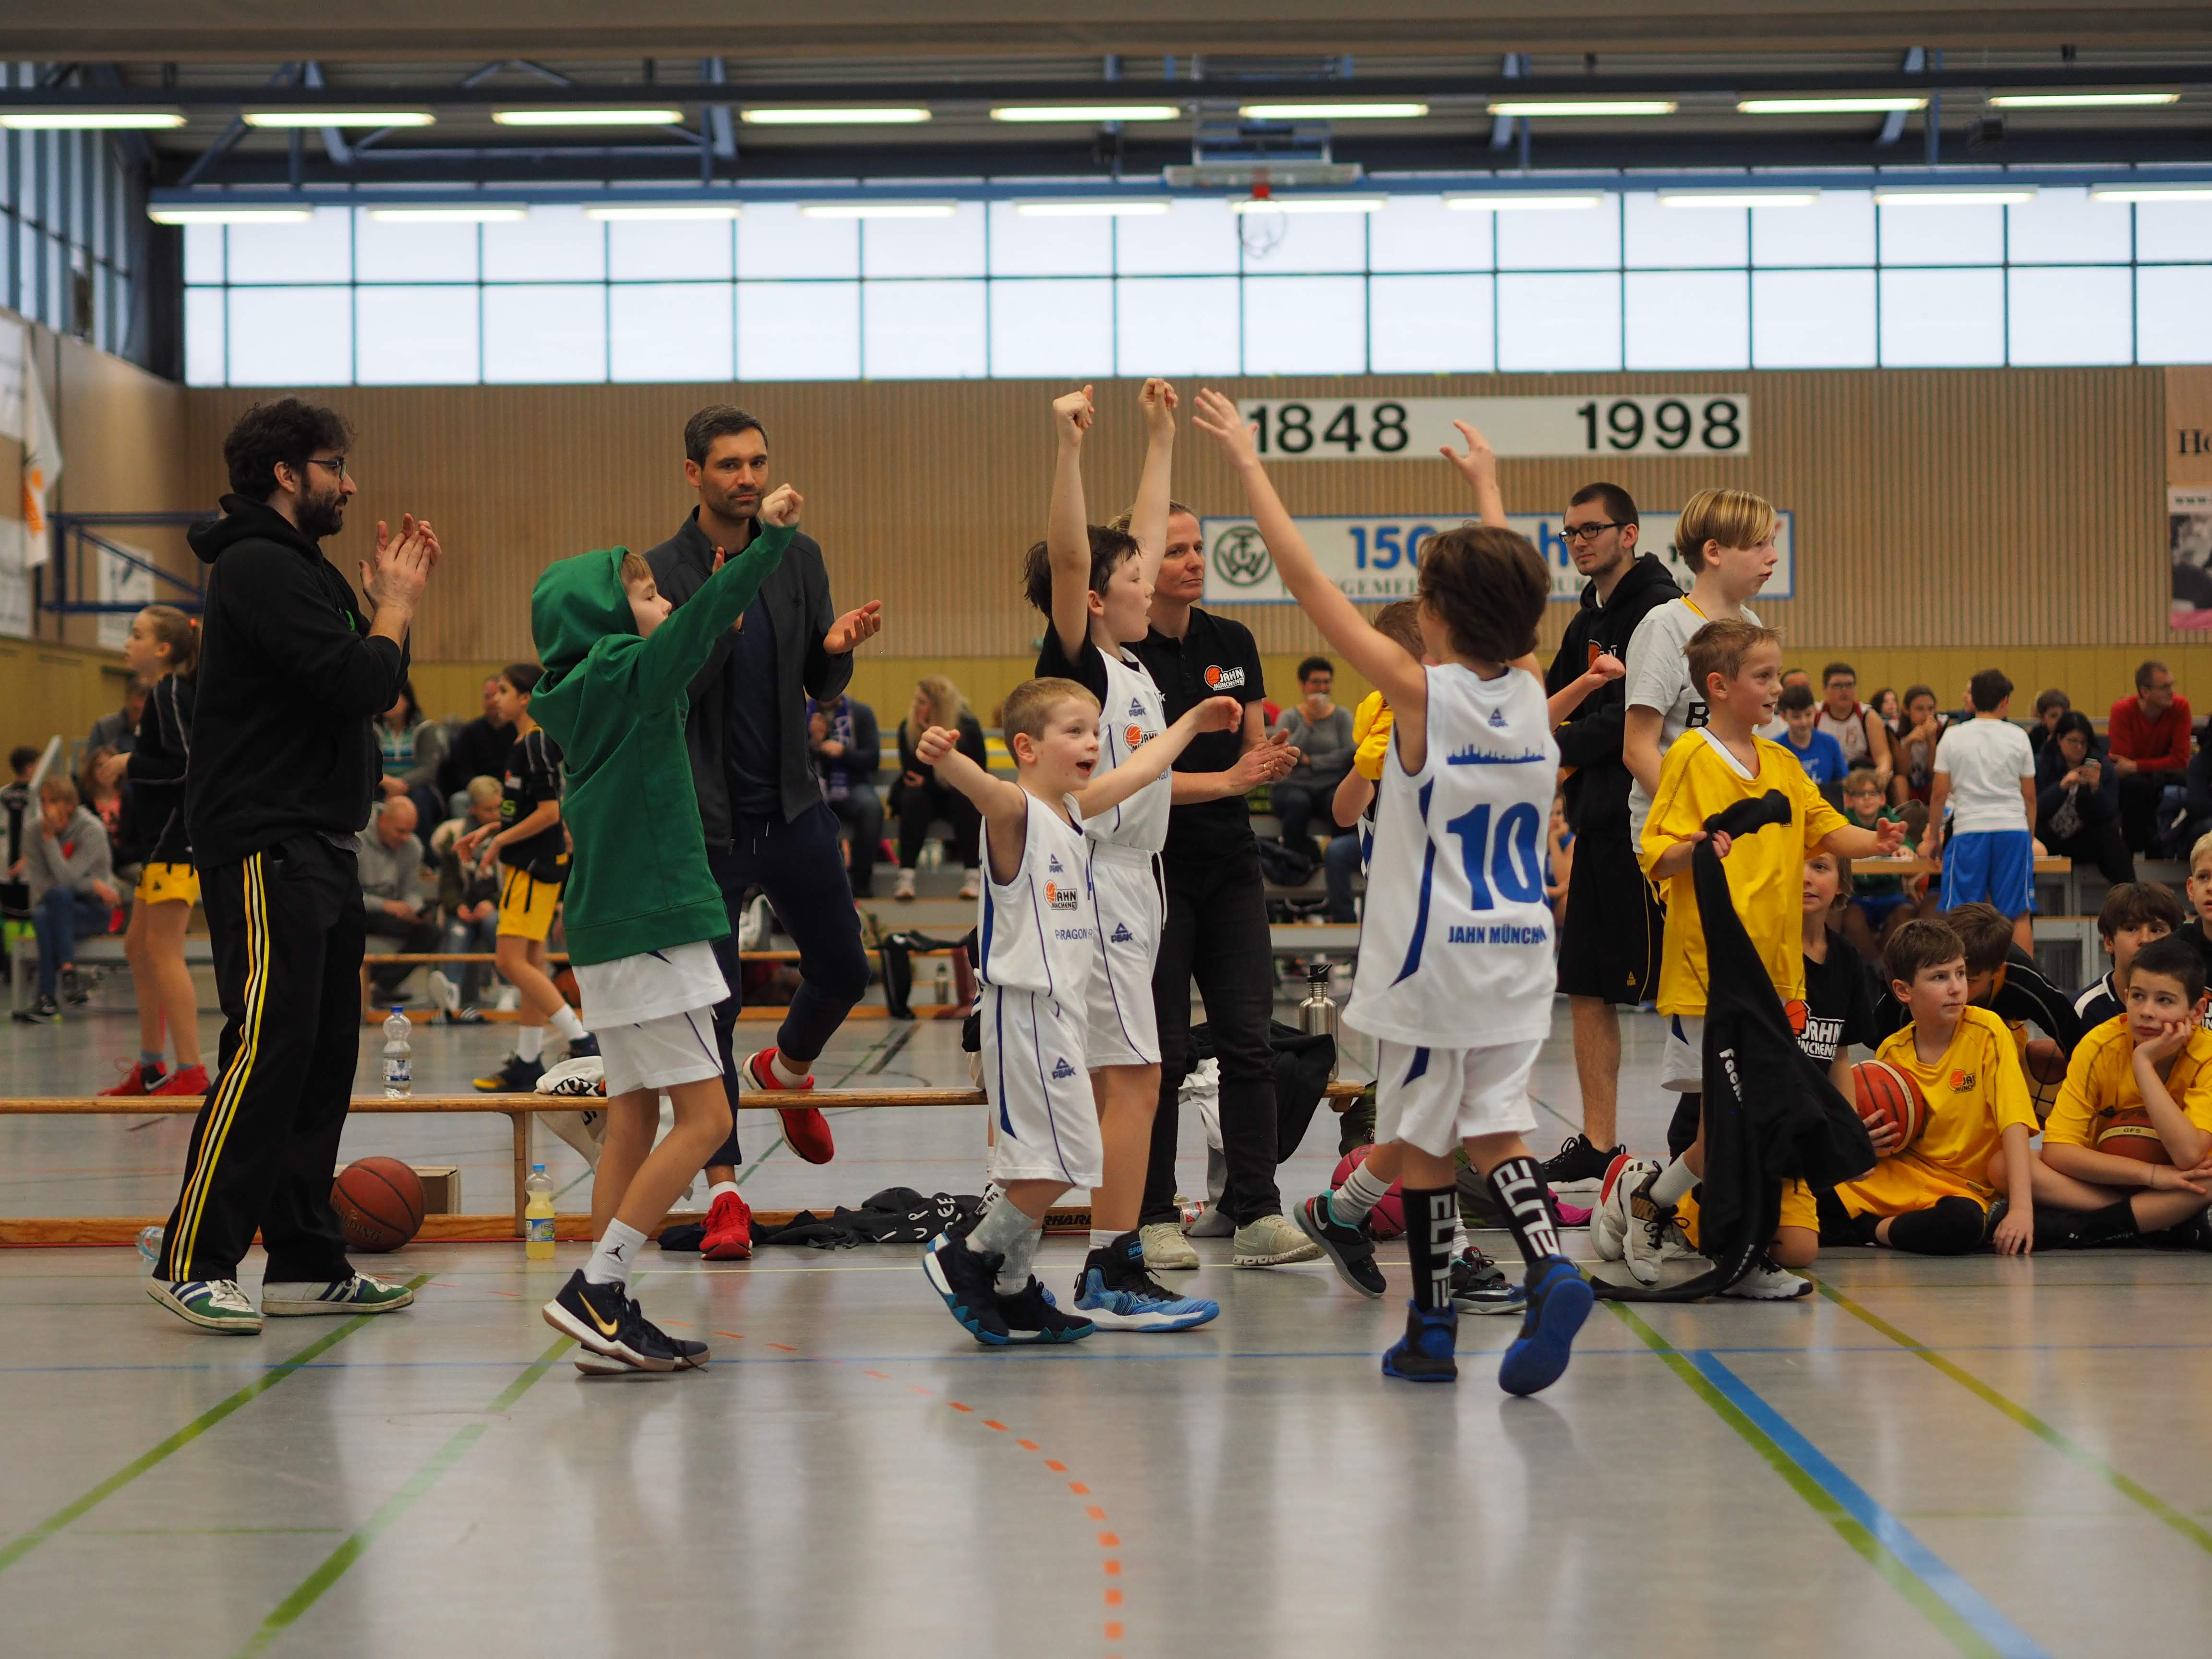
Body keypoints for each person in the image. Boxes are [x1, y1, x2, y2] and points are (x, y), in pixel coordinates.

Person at [1195, 386, 1609, 1393]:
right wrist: (1489, 488)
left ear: (1432, 617)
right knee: (1478, 1127)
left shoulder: (1420, 696)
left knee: (1422, 1137)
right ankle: (1473, 1301)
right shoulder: (1528, 696)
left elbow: (1308, 585)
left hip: (1436, 958)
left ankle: (1489, 1297)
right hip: (1521, 950)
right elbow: (1512, 595)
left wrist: (1248, 464)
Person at [149, 397, 433, 1334]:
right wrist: (394, 607)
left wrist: (383, 612)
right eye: (333, 466)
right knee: (267, 1047)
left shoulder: (300, 567)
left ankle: (307, 1260)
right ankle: (193, 1258)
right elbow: (362, 680)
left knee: (319, 1055)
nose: (348, 484)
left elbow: (372, 683)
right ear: (285, 474)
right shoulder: (258, 565)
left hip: (318, 837)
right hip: (266, 839)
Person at [533, 484, 808, 1375]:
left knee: (633, 1118)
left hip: (606, 933)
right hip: (655, 923)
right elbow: (697, 629)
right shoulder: (624, 672)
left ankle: (602, 1305)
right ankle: (598, 1289)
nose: (665, 603)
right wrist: (768, 546)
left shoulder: (580, 692)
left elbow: (691, 634)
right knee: (707, 1116)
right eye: (648, 594)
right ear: (606, 619)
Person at [919, 676, 1243, 1346]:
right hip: (1023, 1012)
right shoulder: (1016, 812)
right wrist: (947, 758)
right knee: (1068, 1158)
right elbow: (986, 790)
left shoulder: (1074, 813)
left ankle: (1012, 1289)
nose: (1093, 743)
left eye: (1096, 731)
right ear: (1027, 748)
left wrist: (1192, 721)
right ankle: (968, 1254)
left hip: (1060, 1014)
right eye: (1075, 731)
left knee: (1054, 1158)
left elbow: (1145, 769)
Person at [1606, 619, 1903, 1296]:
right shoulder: (1690, 757)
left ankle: (1668, 1211)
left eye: (1778, 675)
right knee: (1730, 1124)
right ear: (1719, 686)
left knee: (1744, 1122)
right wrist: (1698, 847)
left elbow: (1826, 828)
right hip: (1710, 975)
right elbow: (1657, 852)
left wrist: (1876, 841)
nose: (1779, 688)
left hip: (1776, 978)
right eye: (1764, 677)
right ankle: (1676, 1220)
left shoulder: (1785, 766)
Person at [646, 405, 883, 1241]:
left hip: (791, 805)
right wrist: (719, 618)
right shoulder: (660, 572)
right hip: (703, 824)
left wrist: (837, 649)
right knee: (713, 1006)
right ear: (694, 473)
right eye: (728, 465)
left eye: (756, 462)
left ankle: (785, 1068)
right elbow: (668, 687)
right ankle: (724, 1193)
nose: (746, 478)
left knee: (846, 971)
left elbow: (818, 681)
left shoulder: (797, 554)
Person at [1023, 380, 1223, 1333]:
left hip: (1137, 881)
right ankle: (1111, 1265)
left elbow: (1122, 545)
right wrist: (1068, 450)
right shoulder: (1082, 661)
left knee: (1127, 1078)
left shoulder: (1134, 660)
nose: (1152, 583)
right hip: (1098, 878)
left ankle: (1077, 1256)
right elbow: (1077, 558)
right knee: (1138, 1077)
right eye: (1134, 578)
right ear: (1096, 602)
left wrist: (1159, 437)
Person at [1125, 479, 1307, 1274]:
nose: (1195, 560)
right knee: (1160, 1054)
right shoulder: (1120, 657)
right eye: (1177, 551)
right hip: (1153, 869)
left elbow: (1250, 752)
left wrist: (1268, 762)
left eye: (1199, 547)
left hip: (1231, 865)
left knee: (1249, 1043)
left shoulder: (1232, 640)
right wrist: (1231, 780)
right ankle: (1153, 1218)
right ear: (1142, 565)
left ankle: (1257, 1211)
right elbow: (1128, 780)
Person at [1642, 849, 1878, 1280]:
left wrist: (1848, 1133)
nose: (1806, 878)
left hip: (1791, 1131)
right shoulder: (1762, 952)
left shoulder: (1846, 961)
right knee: (1733, 1235)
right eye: (1795, 865)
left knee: (1799, 1251)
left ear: (1842, 884)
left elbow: (1840, 1054)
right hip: (1729, 1123)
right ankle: (1658, 1197)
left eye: (1820, 867)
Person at [1539, 480, 1682, 1191]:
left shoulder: (1660, 609)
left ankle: (1701, 1142)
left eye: (1590, 529)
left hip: (1649, 829)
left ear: (1629, 533)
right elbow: (1550, 706)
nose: (1578, 542)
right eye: (1569, 532)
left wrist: (1559, 743)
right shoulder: (1585, 620)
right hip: (1595, 826)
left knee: (1681, 989)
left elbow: (1632, 718)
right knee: (1587, 988)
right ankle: (1598, 1142)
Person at [1818, 918, 2038, 1255]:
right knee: (1806, 1190)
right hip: (1903, 1176)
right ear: (1903, 991)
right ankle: (1885, 1228)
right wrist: (1867, 1142)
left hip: (1964, 1189)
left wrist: (2022, 1209)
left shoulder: (1988, 1031)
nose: (1956, 988)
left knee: (1963, 1222)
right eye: (1939, 977)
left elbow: (2014, 1122)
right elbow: (1894, 1139)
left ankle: (1868, 1229)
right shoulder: (1892, 1050)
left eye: (1960, 974)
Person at [2029, 934, 2212, 1249]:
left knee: (2208, 1180)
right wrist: (2150, 1175)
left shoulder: (2207, 1056)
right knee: (2008, 1163)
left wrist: (2143, 1063)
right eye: (2138, 996)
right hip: (2109, 1177)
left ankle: (2086, 1228)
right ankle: (2156, 1221)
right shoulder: (2099, 1044)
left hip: (2181, 1179)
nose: (2147, 1011)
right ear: (2126, 997)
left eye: (2164, 1001)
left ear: (2197, 1011)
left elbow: (2188, 1157)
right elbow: (2057, 1150)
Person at [462, 663, 595, 1092]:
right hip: (534, 861)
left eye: (503, 690)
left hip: (532, 865)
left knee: (509, 961)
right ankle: (527, 1059)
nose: (495, 698)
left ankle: (582, 1040)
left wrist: (500, 842)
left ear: (526, 698)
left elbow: (549, 813)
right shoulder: (525, 742)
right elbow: (526, 810)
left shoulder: (536, 740)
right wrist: (492, 830)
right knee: (532, 964)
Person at [94, 605, 207, 1095]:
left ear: (162, 649)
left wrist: (129, 762)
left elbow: (189, 765)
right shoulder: (160, 695)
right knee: (138, 948)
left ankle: (192, 1071)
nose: (128, 642)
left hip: (177, 841)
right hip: (158, 843)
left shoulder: (171, 693)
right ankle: (150, 1067)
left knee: (164, 952)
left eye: (137, 634)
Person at [1928, 669, 2038, 951]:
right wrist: (2028, 837)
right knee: (2018, 912)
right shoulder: (2019, 737)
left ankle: (1962, 974)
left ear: (1973, 700)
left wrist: (1933, 837)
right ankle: (2024, 975)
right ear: (2005, 701)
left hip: (1969, 830)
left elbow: (1939, 793)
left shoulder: (1953, 736)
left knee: (1962, 914)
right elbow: (2030, 796)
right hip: (2013, 829)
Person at [12, 776, 118, 1024]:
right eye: (43, 802)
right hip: (55, 906)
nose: (46, 809)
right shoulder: (33, 831)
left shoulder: (91, 830)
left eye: (54, 802)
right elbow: (43, 885)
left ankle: (47, 997)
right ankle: (68, 975)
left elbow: (66, 878)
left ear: (70, 805)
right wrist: (92, 884)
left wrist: (50, 840)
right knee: (48, 908)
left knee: (48, 910)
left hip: (94, 910)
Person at [890, 675, 985, 901]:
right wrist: (926, 738)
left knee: (965, 799)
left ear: (939, 706)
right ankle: (906, 875)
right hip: (927, 797)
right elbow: (912, 774)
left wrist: (939, 762)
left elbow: (977, 771)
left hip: (957, 796)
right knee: (913, 798)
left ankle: (973, 874)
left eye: (922, 702)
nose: (916, 706)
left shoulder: (967, 727)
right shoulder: (907, 728)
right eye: (916, 700)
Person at [429, 775, 503, 1018]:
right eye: (489, 810)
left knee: (493, 923)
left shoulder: (511, 834)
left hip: (499, 907)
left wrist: (492, 903)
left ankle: (509, 989)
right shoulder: (454, 835)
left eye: (499, 807)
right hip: (465, 908)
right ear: (473, 809)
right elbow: (448, 883)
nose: (496, 814)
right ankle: (450, 993)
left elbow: (515, 883)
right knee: (457, 930)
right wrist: (457, 905)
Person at [2035, 709, 2134, 887]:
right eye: (2073, 741)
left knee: (2111, 839)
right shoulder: (2043, 764)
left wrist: (2096, 788)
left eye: (2083, 742)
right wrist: (2061, 787)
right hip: (2049, 837)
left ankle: (2130, 893)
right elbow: (2037, 809)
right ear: (2059, 739)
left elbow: (2110, 813)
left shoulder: (2101, 766)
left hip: (2084, 837)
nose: (2079, 747)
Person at [2072, 881, 2183, 1038]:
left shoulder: (2190, 1000)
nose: (2145, 940)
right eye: (2131, 929)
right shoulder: (2086, 1009)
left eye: (2157, 930)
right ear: (2109, 942)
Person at [1269, 655, 1355, 854]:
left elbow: (1349, 754)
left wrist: (1311, 761)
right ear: (1303, 685)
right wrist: (1307, 723)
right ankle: (1293, 860)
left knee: (1341, 802)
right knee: (1298, 803)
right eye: (1316, 682)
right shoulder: (1289, 717)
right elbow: (1282, 753)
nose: (1322, 688)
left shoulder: (1342, 717)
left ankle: (1339, 856)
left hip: (1330, 785)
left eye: (1327, 682)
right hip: (1294, 786)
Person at [356, 797, 440, 998]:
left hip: (389, 912)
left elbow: (410, 891)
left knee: (430, 932)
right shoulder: (356, 839)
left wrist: (415, 909)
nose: (405, 838)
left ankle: (380, 988)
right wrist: (386, 905)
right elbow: (344, 894)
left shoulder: (413, 846)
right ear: (383, 821)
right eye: (400, 831)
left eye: (410, 832)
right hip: (355, 909)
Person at [2108, 660, 2191, 855]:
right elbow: (2121, 765)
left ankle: (2159, 848)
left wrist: (2137, 766)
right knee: (2135, 786)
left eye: (2172, 685)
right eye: (2165, 687)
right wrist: (2146, 767)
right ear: (2145, 692)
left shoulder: (2180, 706)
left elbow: (2181, 761)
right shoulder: (2123, 710)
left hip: (2165, 776)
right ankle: (2137, 850)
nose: (2172, 692)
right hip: (2140, 781)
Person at [808, 691, 884, 899]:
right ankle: (816, 884)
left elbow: (873, 759)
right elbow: (791, 759)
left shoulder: (861, 713)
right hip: (813, 786)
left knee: (871, 808)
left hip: (852, 784)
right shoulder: (801, 714)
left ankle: (861, 881)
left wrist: (844, 753)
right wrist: (814, 743)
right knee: (801, 810)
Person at [1837, 766, 1913, 961]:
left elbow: (1906, 843)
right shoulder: (1842, 823)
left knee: (1906, 914)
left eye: (1873, 793)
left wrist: (1906, 849)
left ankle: (1890, 965)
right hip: (1857, 896)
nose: (1867, 798)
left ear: (1883, 798)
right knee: (1852, 917)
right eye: (1860, 794)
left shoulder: (1891, 821)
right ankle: (1873, 968)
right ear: (1849, 800)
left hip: (1890, 894)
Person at [374, 680, 448, 847]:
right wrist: (387, 782)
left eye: (395, 696)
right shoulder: (373, 730)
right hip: (381, 786)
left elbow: (428, 770)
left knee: (419, 801)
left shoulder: (425, 729)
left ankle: (425, 856)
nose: (389, 702)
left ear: (408, 700)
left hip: (417, 788)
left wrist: (401, 784)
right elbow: (366, 765)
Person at [1813, 662, 1896, 793]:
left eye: (1849, 685)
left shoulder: (1868, 716)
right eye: (1837, 686)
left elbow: (1883, 755)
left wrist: (1882, 773)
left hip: (1860, 781)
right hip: (1827, 780)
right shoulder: (1815, 715)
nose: (1844, 691)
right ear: (1825, 689)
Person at [437, 675, 514, 808]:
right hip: (477, 791)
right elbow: (463, 771)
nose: (492, 702)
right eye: (487, 697)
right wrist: (480, 790)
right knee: (459, 800)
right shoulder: (470, 732)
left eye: (497, 696)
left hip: (510, 789)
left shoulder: (517, 731)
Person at [1776, 683, 1848, 797]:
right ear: (1783, 716)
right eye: (1796, 717)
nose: (1803, 722)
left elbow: (1843, 782)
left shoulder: (1830, 743)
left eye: (1808, 715)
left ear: (1815, 711)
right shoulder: (1776, 749)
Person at [1891, 685, 1946, 805]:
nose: (1927, 714)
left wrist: (1932, 742)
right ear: (1906, 710)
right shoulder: (1895, 729)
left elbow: (1936, 771)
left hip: (1930, 782)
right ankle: (1905, 815)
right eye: (1920, 709)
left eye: (1931, 709)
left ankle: (1939, 815)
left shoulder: (1944, 726)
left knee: (1940, 778)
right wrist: (1908, 745)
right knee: (1899, 781)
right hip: (1909, 784)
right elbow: (1902, 772)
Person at [88, 678, 148, 757]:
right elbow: (91, 762)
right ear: (127, 702)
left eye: (145, 712)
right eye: (136, 710)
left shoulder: (155, 730)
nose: (140, 717)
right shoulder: (103, 727)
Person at [2026, 688, 2071, 759]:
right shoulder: (2035, 738)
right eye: (2054, 716)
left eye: (2065, 715)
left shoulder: (2076, 733)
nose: (2060, 720)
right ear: (2042, 718)